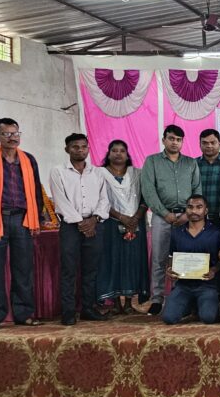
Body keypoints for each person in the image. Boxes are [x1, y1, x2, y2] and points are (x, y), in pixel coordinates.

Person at [0, 118, 49, 330]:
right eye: (6, 134)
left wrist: (38, 219)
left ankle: (24, 314)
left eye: (15, 133)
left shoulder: (28, 159)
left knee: (24, 270)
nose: (12, 138)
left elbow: (36, 191)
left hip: (23, 220)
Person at [49, 133, 110, 325]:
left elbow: (104, 200)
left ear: (88, 149)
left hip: (94, 225)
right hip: (70, 227)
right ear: (67, 149)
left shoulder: (98, 173)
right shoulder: (58, 171)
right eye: (75, 147)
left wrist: (94, 219)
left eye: (84, 147)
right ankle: (68, 313)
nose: (80, 150)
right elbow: (61, 201)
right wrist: (81, 223)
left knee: (90, 270)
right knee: (69, 270)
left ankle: (88, 309)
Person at [141, 124, 202, 315]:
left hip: (187, 218)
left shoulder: (190, 163)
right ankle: (157, 298)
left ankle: (180, 296)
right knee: (159, 258)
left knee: (183, 257)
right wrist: (164, 213)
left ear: (182, 142)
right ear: (163, 140)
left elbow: (197, 190)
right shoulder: (152, 161)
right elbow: (148, 190)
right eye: (171, 138)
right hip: (162, 217)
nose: (175, 142)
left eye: (178, 139)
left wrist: (188, 214)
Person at [97, 139, 150, 314]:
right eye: (114, 150)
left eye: (122, 151)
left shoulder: (137, 173)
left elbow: (145, 198)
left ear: (127, 155)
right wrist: (121, 217)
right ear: (108, 154)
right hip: (110, 225)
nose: (118, 154)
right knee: (113, 261)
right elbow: (99, 200)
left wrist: (135, 218)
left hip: (135, 224)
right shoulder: (99, 174)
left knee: (132, 261)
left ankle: (128, 302)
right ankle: (115, 303)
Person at [161, 195, 220, 325]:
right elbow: (171, 256)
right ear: (186, 210)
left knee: (208, 318)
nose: (194, 211)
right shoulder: (177, 232)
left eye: (199, 207)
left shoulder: (216, 232)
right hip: (183, 285)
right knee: (169, 318)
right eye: (190, 207)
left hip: (207, 285)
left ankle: (201, 305)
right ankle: (189, 306)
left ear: (206, 210)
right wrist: (170, 269)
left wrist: (214, 270)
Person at [196, 128, 220, 226]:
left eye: (213, 142)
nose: (209, 146)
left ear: (219, 144)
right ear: (200, 144)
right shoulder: (193, 164)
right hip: (197, 216)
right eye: (205, 143)